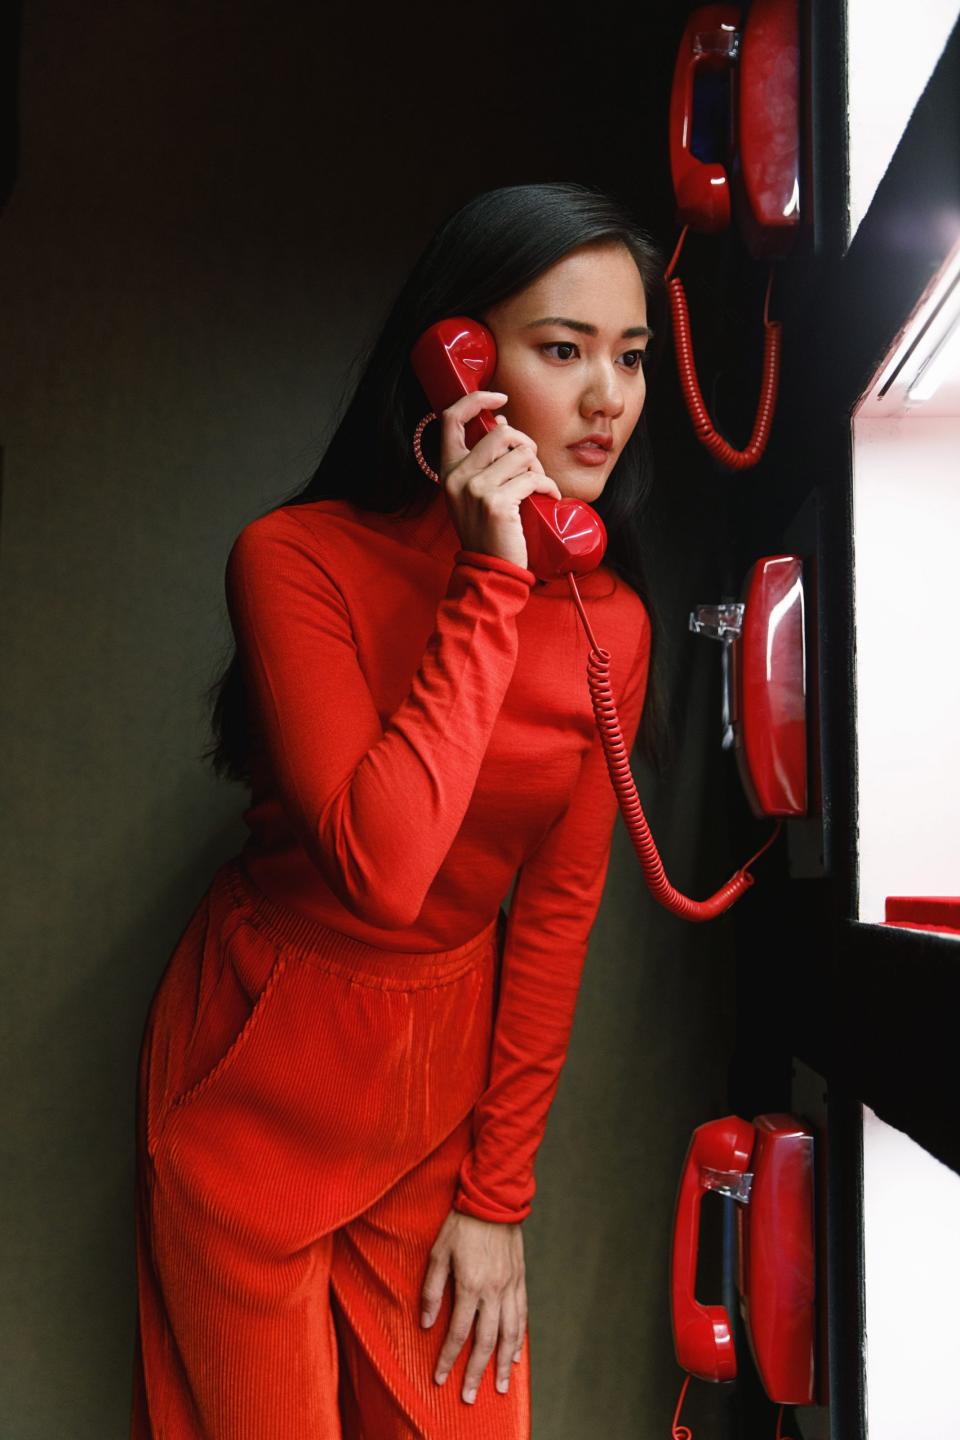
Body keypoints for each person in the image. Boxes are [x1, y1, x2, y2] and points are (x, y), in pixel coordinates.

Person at [130, 181, 666, 1440]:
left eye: (632, 359)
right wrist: (493, 575)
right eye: (562, 350)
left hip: (444, 1079)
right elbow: (385, 863)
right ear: (455, 363)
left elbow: (557, 912)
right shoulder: (293, 560)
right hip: (262, 1065)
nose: (608, 401)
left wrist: (498, 1194)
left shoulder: (616, 629)